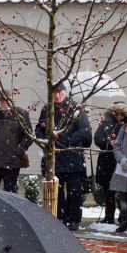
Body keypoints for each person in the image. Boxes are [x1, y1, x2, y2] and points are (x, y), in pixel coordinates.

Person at [37, 81, 92, 230]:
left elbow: (85, 132)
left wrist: (65, 140)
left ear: (65, 92)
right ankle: (59, 218)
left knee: (74, 192)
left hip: (72, 157)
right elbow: (39, 129)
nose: (56, 95)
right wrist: (45, 140)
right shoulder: (47, 109)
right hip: (54, 160)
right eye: (54, 92)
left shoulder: (75, 109)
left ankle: (74, 219)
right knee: (57, 192)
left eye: (59, 92)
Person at [0, 96, 32, 193]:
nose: (4, 102)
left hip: (12, 162)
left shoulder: (21, 114)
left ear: (13, 100)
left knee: (10, 194)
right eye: (2, 100)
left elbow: (29, 136)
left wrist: (18, 150)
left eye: (7, 100)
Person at [93, 102, 127, 223]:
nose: (119, 116)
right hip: (106, 160)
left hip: (121, 161)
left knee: (122, 191)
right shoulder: (106, 124)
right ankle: (109, 216)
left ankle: (124, 217)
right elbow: (97, 139)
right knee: (108, 190)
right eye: (116, 113)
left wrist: (117, 144)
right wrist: (107, 142)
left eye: (121, 113)